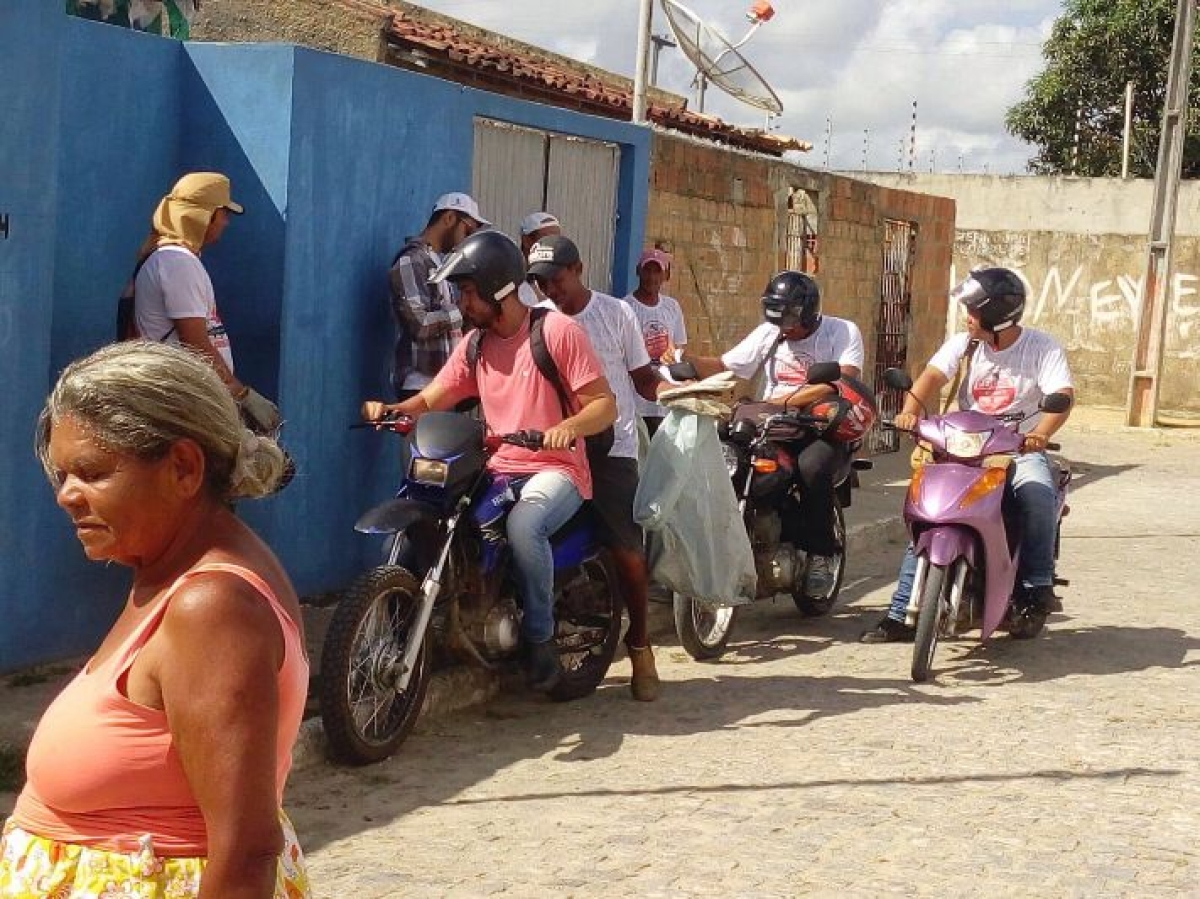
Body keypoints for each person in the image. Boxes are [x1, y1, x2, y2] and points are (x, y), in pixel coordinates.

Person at [0, 342, 310, 897]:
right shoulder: (168, 575)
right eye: (62, 475)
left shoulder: (210, 608)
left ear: (183, 468)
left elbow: (245, 854)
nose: (67, 496)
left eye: (92, 473)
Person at [367, 230, 617, 693]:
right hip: (498, 466)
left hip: (555, 468)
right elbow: (433, 396)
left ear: (498, 288)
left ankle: (540, 638)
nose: (461, 301)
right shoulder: (476, 342)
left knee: (525, 526)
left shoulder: (556, 331)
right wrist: (395, 411)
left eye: (466, 291)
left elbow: (604, 404)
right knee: (440, 518)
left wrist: (568, 428)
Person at [861, 266, 1074, 642]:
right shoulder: (963, 344)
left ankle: (1036, 586)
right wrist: (911, 410)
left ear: (995, 315)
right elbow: (930, 377)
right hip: (962, 446)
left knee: (1037, 494)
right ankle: (899, 612)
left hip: (1015, 447)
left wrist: (1039, 434)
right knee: (928, 509)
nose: (967, 318)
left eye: (973, 311)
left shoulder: (1042, 348)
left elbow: (1062, 397)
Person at [529, 235, 671, 702]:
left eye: (558, 279)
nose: (551, 289)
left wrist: (682, 395)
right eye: (541, 282)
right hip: (549, 448)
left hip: (611, 448)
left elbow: (641, 378)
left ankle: (640, 647)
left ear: (579, 268)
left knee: (626, 549)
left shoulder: (615, 313)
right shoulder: (535, 321)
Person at [674, 271, 865, 597]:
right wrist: (683, 360)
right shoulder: (770, 333)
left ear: (807, 311)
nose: (785, 326)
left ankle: (820, 554)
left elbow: (842, 380)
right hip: (771, 423)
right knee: (729, 456)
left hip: (820, 426)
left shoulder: (842, 331)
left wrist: (784, 400)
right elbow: (726, 365)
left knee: (812, 467)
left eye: (790, 318)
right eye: (779, 318)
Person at [133, 171, 281, 436]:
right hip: (182, 403)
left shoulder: (172, 259)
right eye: (223, 213)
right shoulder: (178, 263)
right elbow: (195, 345)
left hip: (188, 399)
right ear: (207, 215)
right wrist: (240, 394)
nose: (225, 222)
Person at [388, 191, 489, 400]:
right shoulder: (412, 261)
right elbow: (419, 324)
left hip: (443, 387)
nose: (468, 240)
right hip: (420, 388)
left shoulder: (441, 264)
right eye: (467, 231)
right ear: (449, 218)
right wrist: (460, 310)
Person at [622, 247, 688, 438]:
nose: (651, 277)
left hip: (663, 399)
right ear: (638, 271)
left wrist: (674, 353)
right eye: (647, 270)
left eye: (657, 271)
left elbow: (680, 346)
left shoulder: (671, 307)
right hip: (635, 401)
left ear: (666, 275)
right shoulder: (626, 308)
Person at [517, 211, 561, 309]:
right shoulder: (511, 279)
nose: (554, 245)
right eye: (548, 239)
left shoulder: (561, 280)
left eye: (558, 239)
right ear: (526, 241)